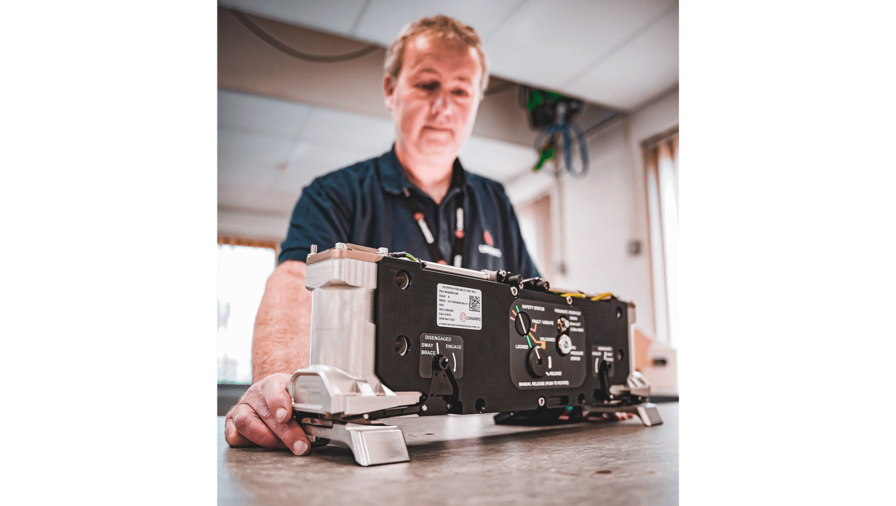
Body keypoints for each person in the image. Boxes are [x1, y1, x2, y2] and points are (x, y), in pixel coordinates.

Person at [224, 15, 544, 456]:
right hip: (367, 435)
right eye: (427, 85)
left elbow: (534, 308)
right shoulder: (334, 194)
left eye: (460, 91)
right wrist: (279, 384)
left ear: (475, 101)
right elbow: (293, 279)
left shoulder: (496, 201)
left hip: (481, 436)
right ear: (391, 90)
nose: (443, 106)